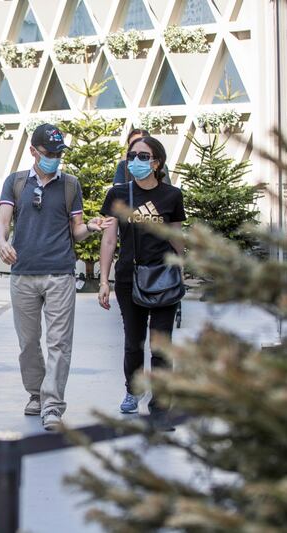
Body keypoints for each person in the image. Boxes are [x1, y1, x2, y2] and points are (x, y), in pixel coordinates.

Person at [0, 123, 110, 431]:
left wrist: (92, 227)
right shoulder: (15, 183)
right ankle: (35, 394)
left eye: (59, 153)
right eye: (49, 153)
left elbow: (77, 231)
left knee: (59, 342)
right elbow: (3, 222)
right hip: (23, 274)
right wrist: (2, 242)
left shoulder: (70, 185)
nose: (55, 158)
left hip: (60, 273)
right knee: (28, 342)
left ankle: (52, 405)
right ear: (33, 151)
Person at [98, 136, 185, 415]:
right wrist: (103, 281)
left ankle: (161, 400)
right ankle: (133, 390)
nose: (135, 160)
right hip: (128, 277)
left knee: (161, 343)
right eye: (132, 155)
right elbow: (109, 240)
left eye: (143, 156)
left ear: (157, 162)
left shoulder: (172, 195)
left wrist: (181, 268)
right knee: (133, 343)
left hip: (163, 277)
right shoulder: (118, 194)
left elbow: (176, 237)